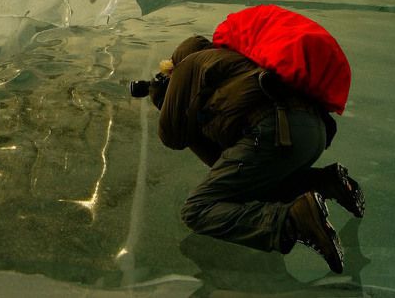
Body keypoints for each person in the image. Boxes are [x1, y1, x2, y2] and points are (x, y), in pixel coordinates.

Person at [148, 35, 365, 274]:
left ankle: (293, 220)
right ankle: (326, 183)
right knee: (253, 189)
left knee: (197, 210)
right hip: (312, 132)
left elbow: (171, 137)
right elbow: (222, 162)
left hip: (278, 131)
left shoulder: (189, 65)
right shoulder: (233, 66)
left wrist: (162, 99)